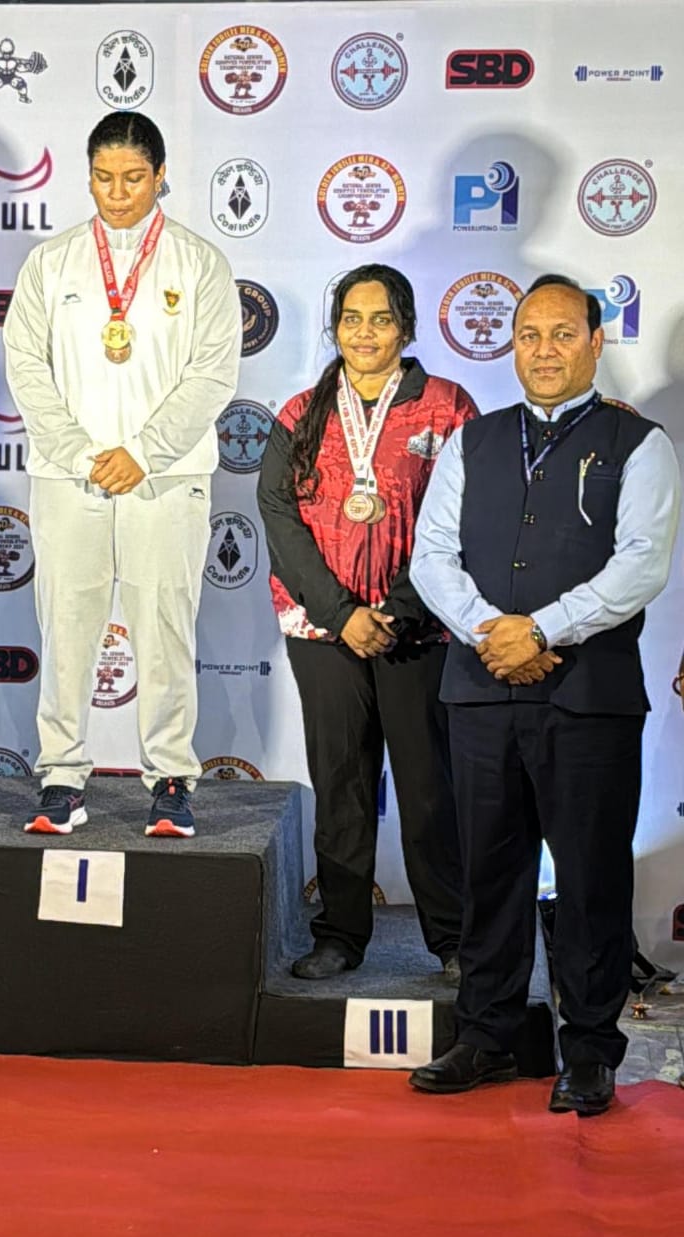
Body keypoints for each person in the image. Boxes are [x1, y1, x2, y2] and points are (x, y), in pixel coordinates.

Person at [407, 275, 680, 1116]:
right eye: (529, 335)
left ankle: (591, 1051)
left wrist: (544, 630)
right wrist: (495, 631)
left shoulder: (641, 444)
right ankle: (485, 1037)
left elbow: (641, 563)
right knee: (490, 874)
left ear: (597, 343)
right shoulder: (473, 442)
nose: (545, 350)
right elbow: (430, 557)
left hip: (588, 698)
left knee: (593, 879)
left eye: (563, 334)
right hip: (482, 691)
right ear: (510, 345)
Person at [4, 111, 241, 838]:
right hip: (67, 475)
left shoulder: (200, 262)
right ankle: (61, 775)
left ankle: (170, 775)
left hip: (163, 477)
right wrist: (81, 451)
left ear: (162, 175)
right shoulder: (53, 261)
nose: (118, 193)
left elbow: (213, 375)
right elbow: (26, 368)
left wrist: (143, 448)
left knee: (164, 627)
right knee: (67, 624)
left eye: (134, 178)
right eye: (104, 178)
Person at [257, 264, 476, 980]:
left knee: (427, 787)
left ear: (406, 328)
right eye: (351, 318)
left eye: (380, 318)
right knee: (342, 784)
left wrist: (399, 609)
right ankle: (340, 936)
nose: (365, 332)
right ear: (335, 328)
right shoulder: (301, 412)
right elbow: (280, 515)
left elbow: (460, 518)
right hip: (325, 633)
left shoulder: (446, 408)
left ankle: (451, 939)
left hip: (418, 629)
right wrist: (342, 613)